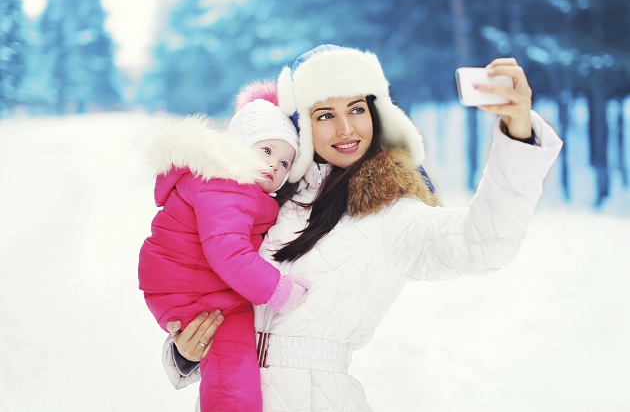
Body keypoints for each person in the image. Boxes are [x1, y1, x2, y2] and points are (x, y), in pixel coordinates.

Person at [160, 45, 563, 411]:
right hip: (228, 391)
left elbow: (483, 243)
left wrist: (519, 134)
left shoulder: (391, 214)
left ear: (376, 113)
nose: (346, 129)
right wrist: (185, 352)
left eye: (356, 109)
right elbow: (202, 286)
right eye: (325, 115)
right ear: (301, 127)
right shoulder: (264, 205)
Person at [138, 83, 309, 412]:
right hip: (193, 291)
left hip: (196, 286)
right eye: (267, 151)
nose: (276, 166)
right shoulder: (228, 187)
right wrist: (279, 290)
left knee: (231, 364)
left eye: (286, 163)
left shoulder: (231, 188)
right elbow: (228, 253)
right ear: (239, 149)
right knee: (232, 366)